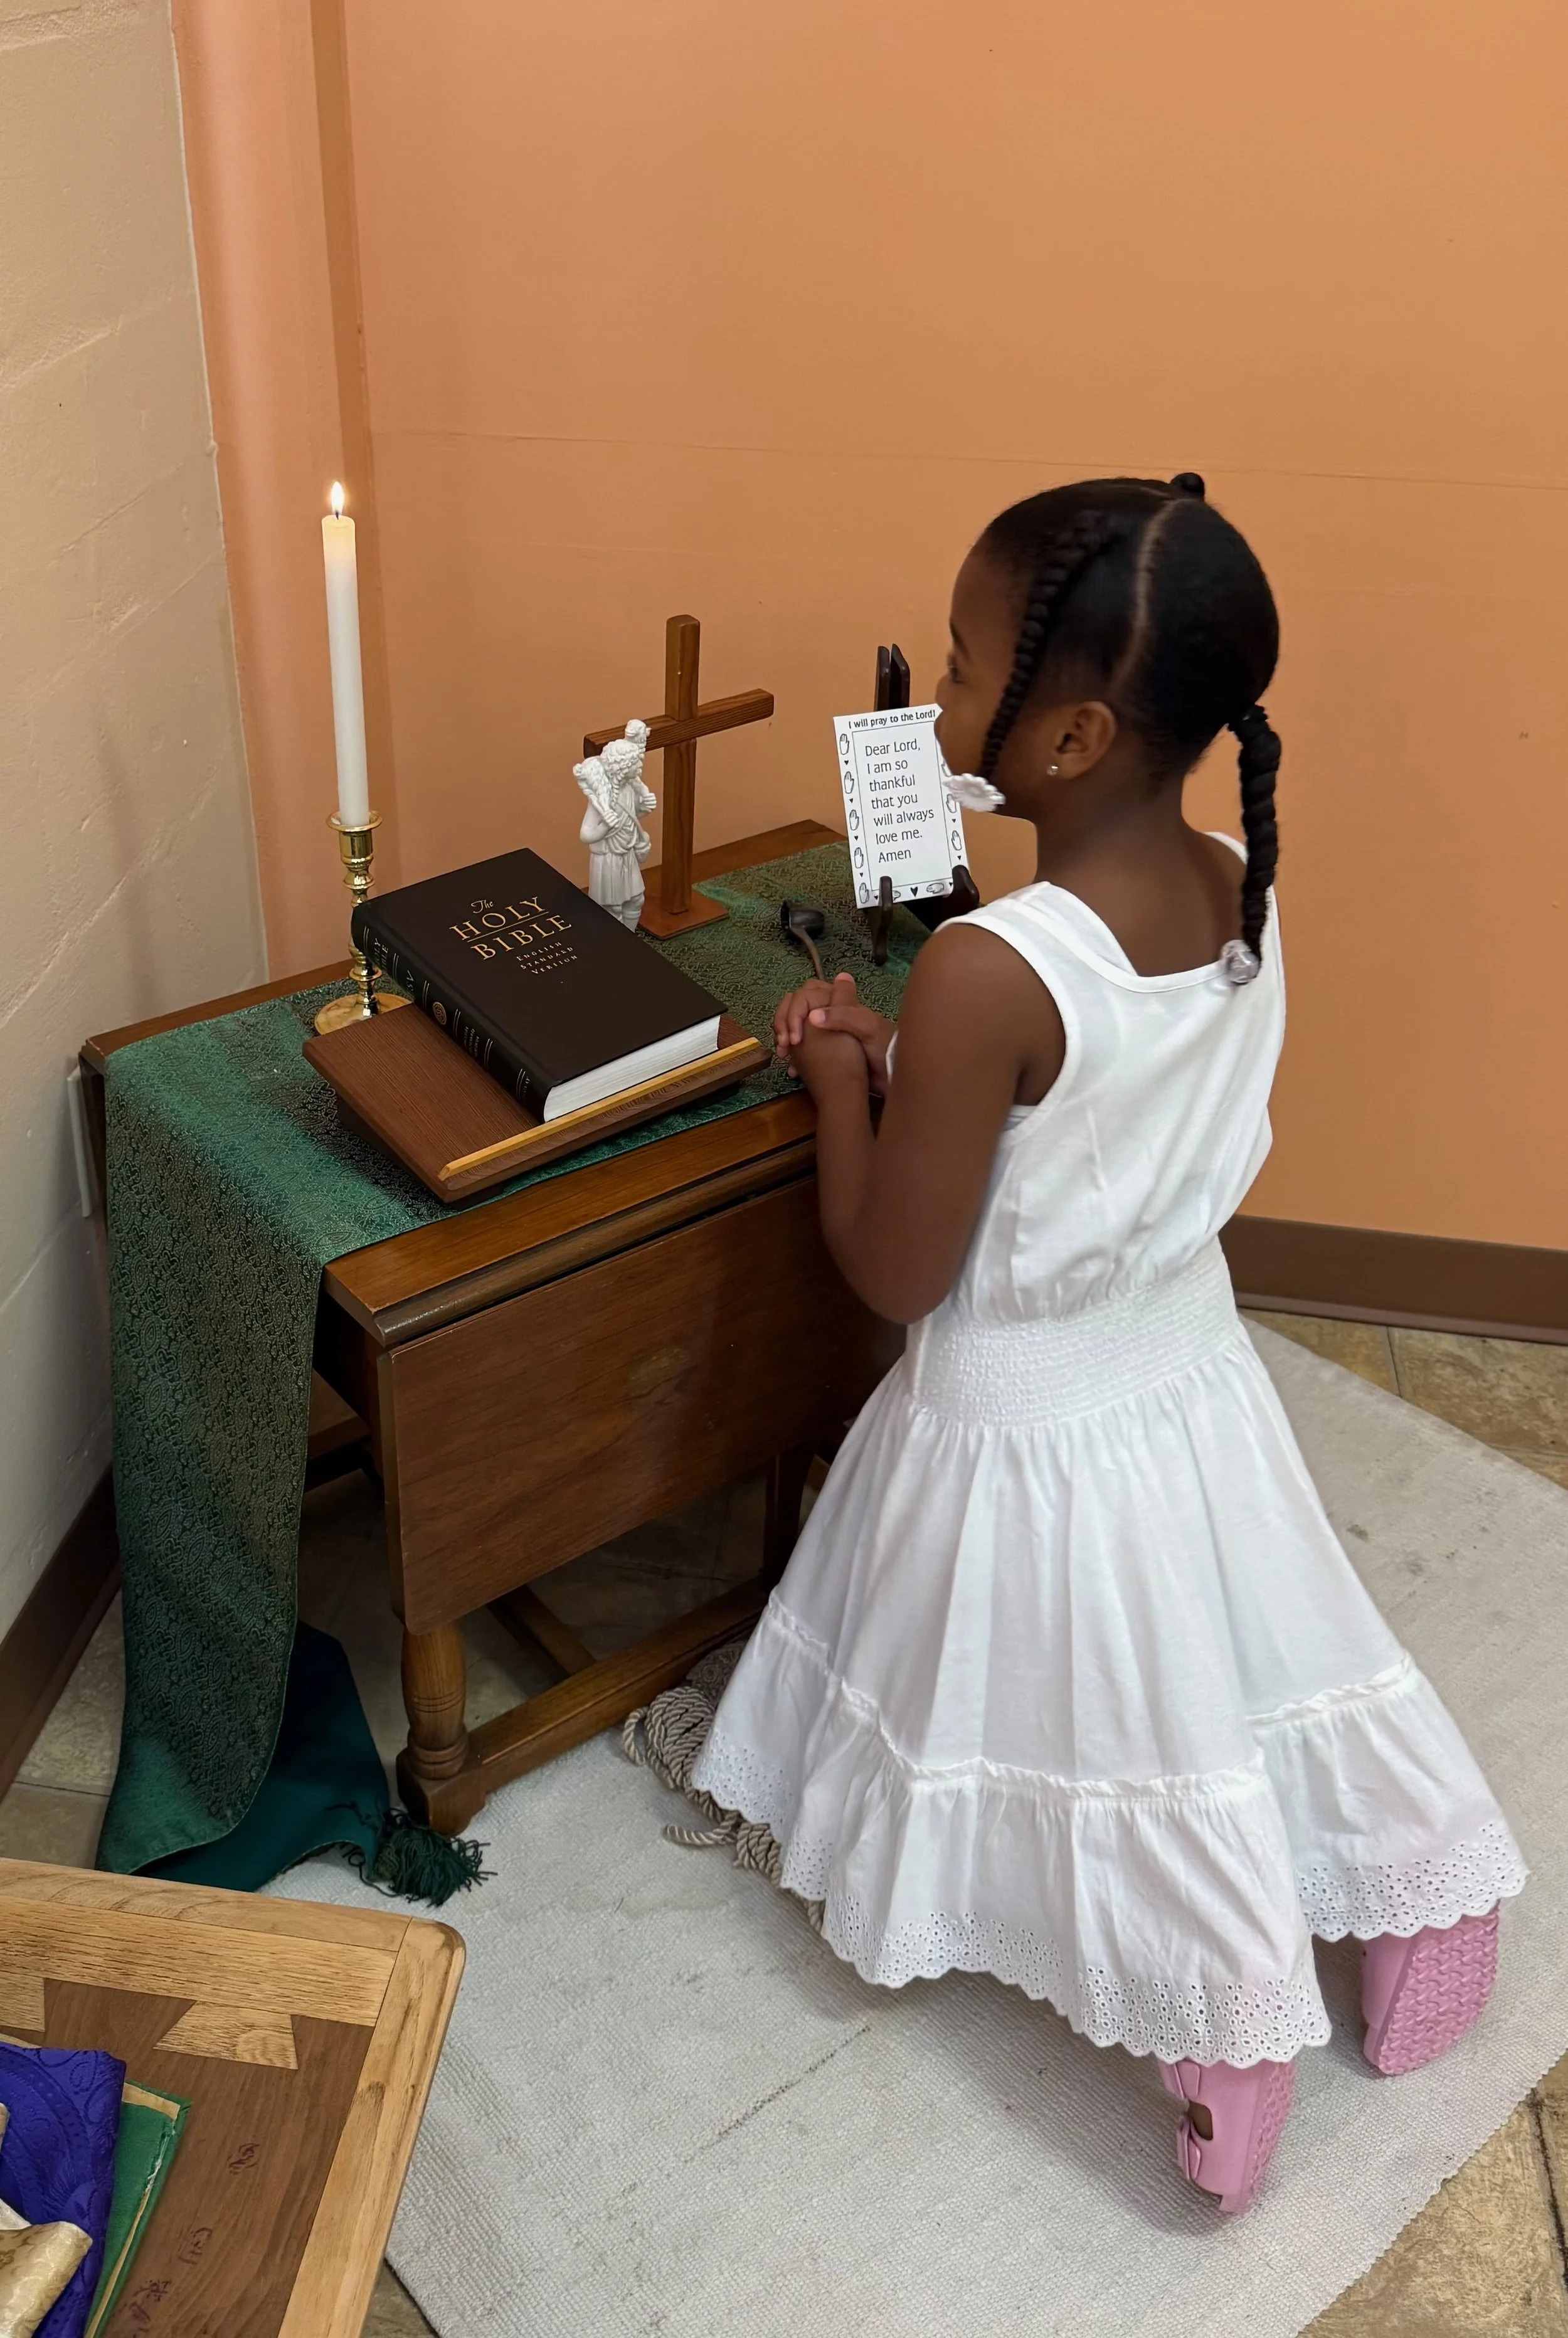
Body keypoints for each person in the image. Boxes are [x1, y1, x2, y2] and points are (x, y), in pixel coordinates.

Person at [689, 475, 1525, 2214]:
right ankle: (1433, 1891)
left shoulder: (986, 973)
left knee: (1118, 1719)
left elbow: (897, 1276)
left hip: (1020, 1417)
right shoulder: (1240, 879)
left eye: (963, 656)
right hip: (1187, 1372)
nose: (932, 693)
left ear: (1063, 733)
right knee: (1277, 1652)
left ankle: (1225, 2022)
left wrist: (846, 1080)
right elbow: (1101, 1137)